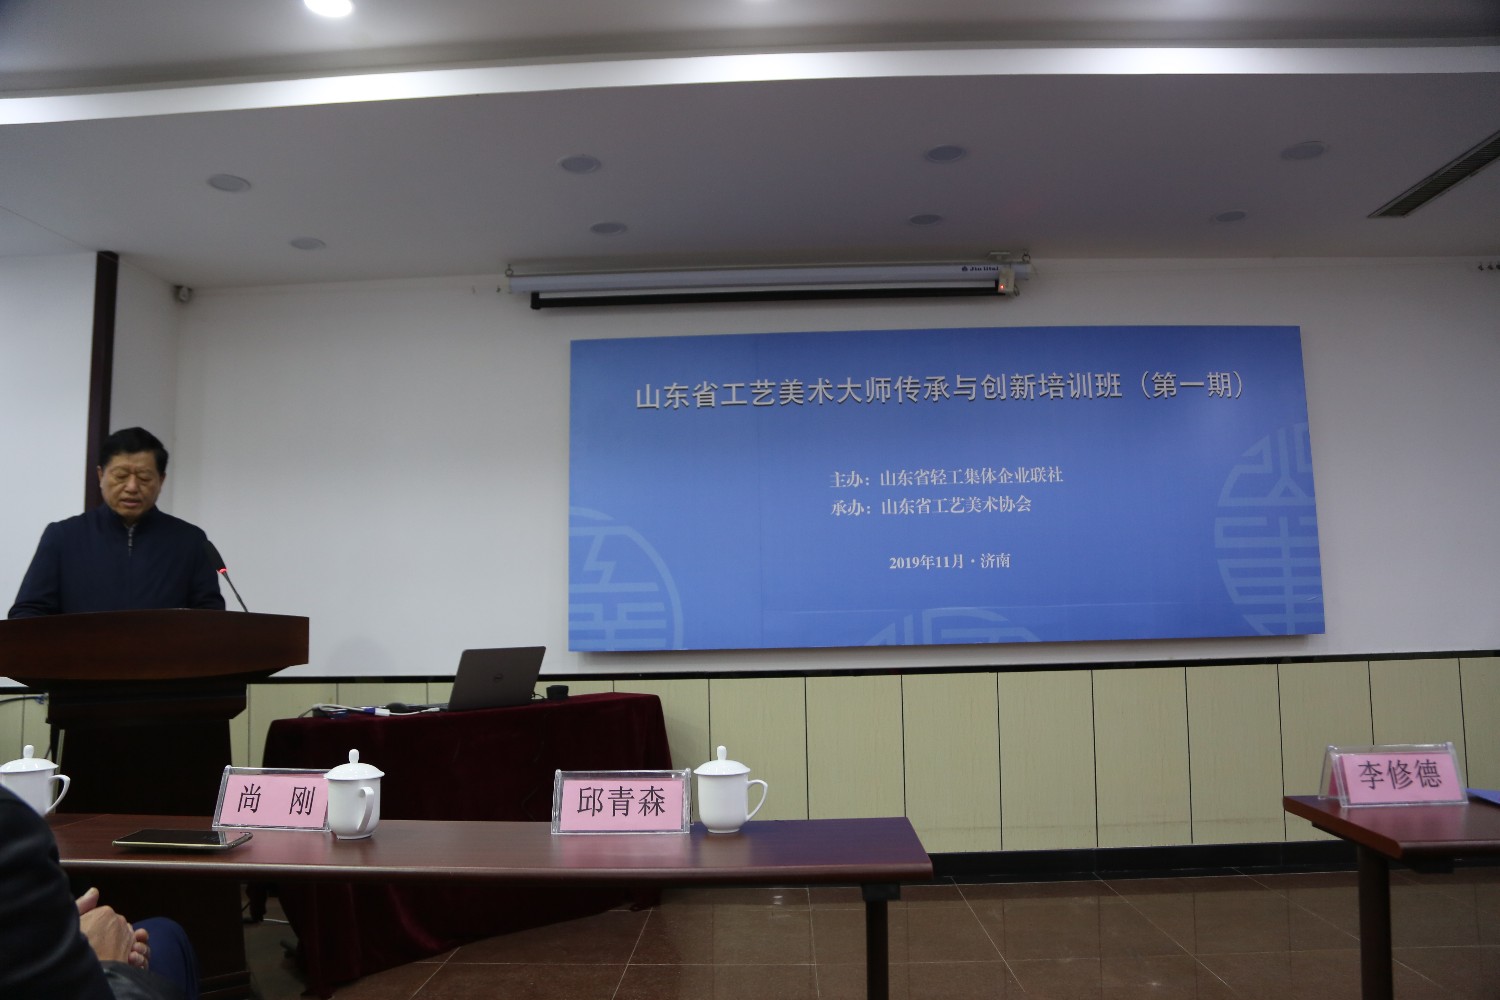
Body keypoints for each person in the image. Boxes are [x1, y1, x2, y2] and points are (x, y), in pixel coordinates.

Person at [0, 785, 199, 1000]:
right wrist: (108, 966)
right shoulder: (9, 821)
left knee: (162, 931)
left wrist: (58, 932)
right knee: (166, 939)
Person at [8, 427, 225, 618]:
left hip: (166, 654)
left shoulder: (190, 541)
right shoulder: (63, 536)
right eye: (121, 476)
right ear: (100, 475)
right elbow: (28, 612)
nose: (132, 487)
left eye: (144, 477)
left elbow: (210, 618)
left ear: (161, 480)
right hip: (81, 653)